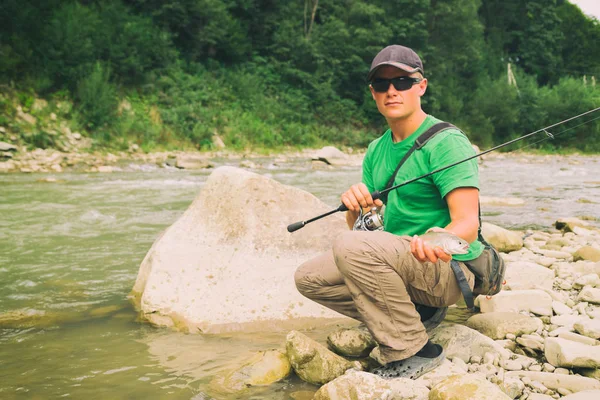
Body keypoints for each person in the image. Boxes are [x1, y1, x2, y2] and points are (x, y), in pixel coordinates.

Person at [294, 44, 489, 379]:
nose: (392, 91)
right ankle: (411, 317)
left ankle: (414, 349)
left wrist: (437, 242)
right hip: (399, 262)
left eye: (402, 81)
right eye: (382, 85)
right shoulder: (375, 150)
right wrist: (356, 208)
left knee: (346, 248)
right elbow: (362, 233)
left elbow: (468, 223)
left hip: (447, 267)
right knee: (309, 279)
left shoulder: (447, 142)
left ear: (421, 86)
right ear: (373, 93)